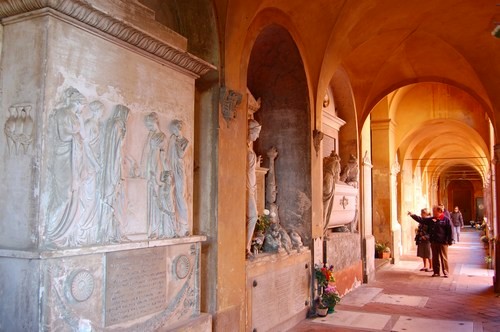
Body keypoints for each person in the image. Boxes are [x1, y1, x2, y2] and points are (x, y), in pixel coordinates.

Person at [408, 205, 453, 277]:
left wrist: (449, 241)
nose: (433, 213)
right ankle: (436, 272)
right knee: (435, 257)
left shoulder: (446, 220)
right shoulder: (431, 219)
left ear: (439, 211)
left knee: (443, 257)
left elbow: (450, 231)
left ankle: (446, 272)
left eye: (434, 212)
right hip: (434, 241)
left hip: (443, 242)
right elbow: (422, 220)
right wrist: (412, 215)